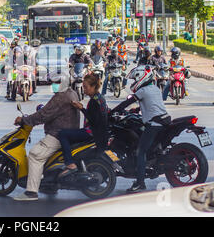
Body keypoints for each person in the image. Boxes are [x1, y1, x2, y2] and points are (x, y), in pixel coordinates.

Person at [13, 73, 80, 201]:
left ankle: (31, 192)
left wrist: (24, 120)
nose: (53, 85)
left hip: (57, 134)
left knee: (35, 155)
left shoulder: (61, 97)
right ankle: (50, 186)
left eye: (56, 83)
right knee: (45, 156)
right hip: (68, 132)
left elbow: (43, 115)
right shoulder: (72, 93)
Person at [111, 65, 171, 193]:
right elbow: (153, 105)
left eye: (134, 79)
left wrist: (112, 111)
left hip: (155, 124)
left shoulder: (142, 91)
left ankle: (140, 183)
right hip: (164, 120)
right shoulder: (154, 88)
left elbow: (126, 103)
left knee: (140, 151)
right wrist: (137, 109)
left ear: (141, 77)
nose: (133, 82)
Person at [58, 74, 109, 177]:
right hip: (99, 132)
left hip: (93, 133)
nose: (84, 90)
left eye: (86, 87)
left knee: (62, 134)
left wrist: (81, 108)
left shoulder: (95, 101)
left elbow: (94, 120)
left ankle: (70, 163)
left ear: (93, 86)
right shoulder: (99, 98)